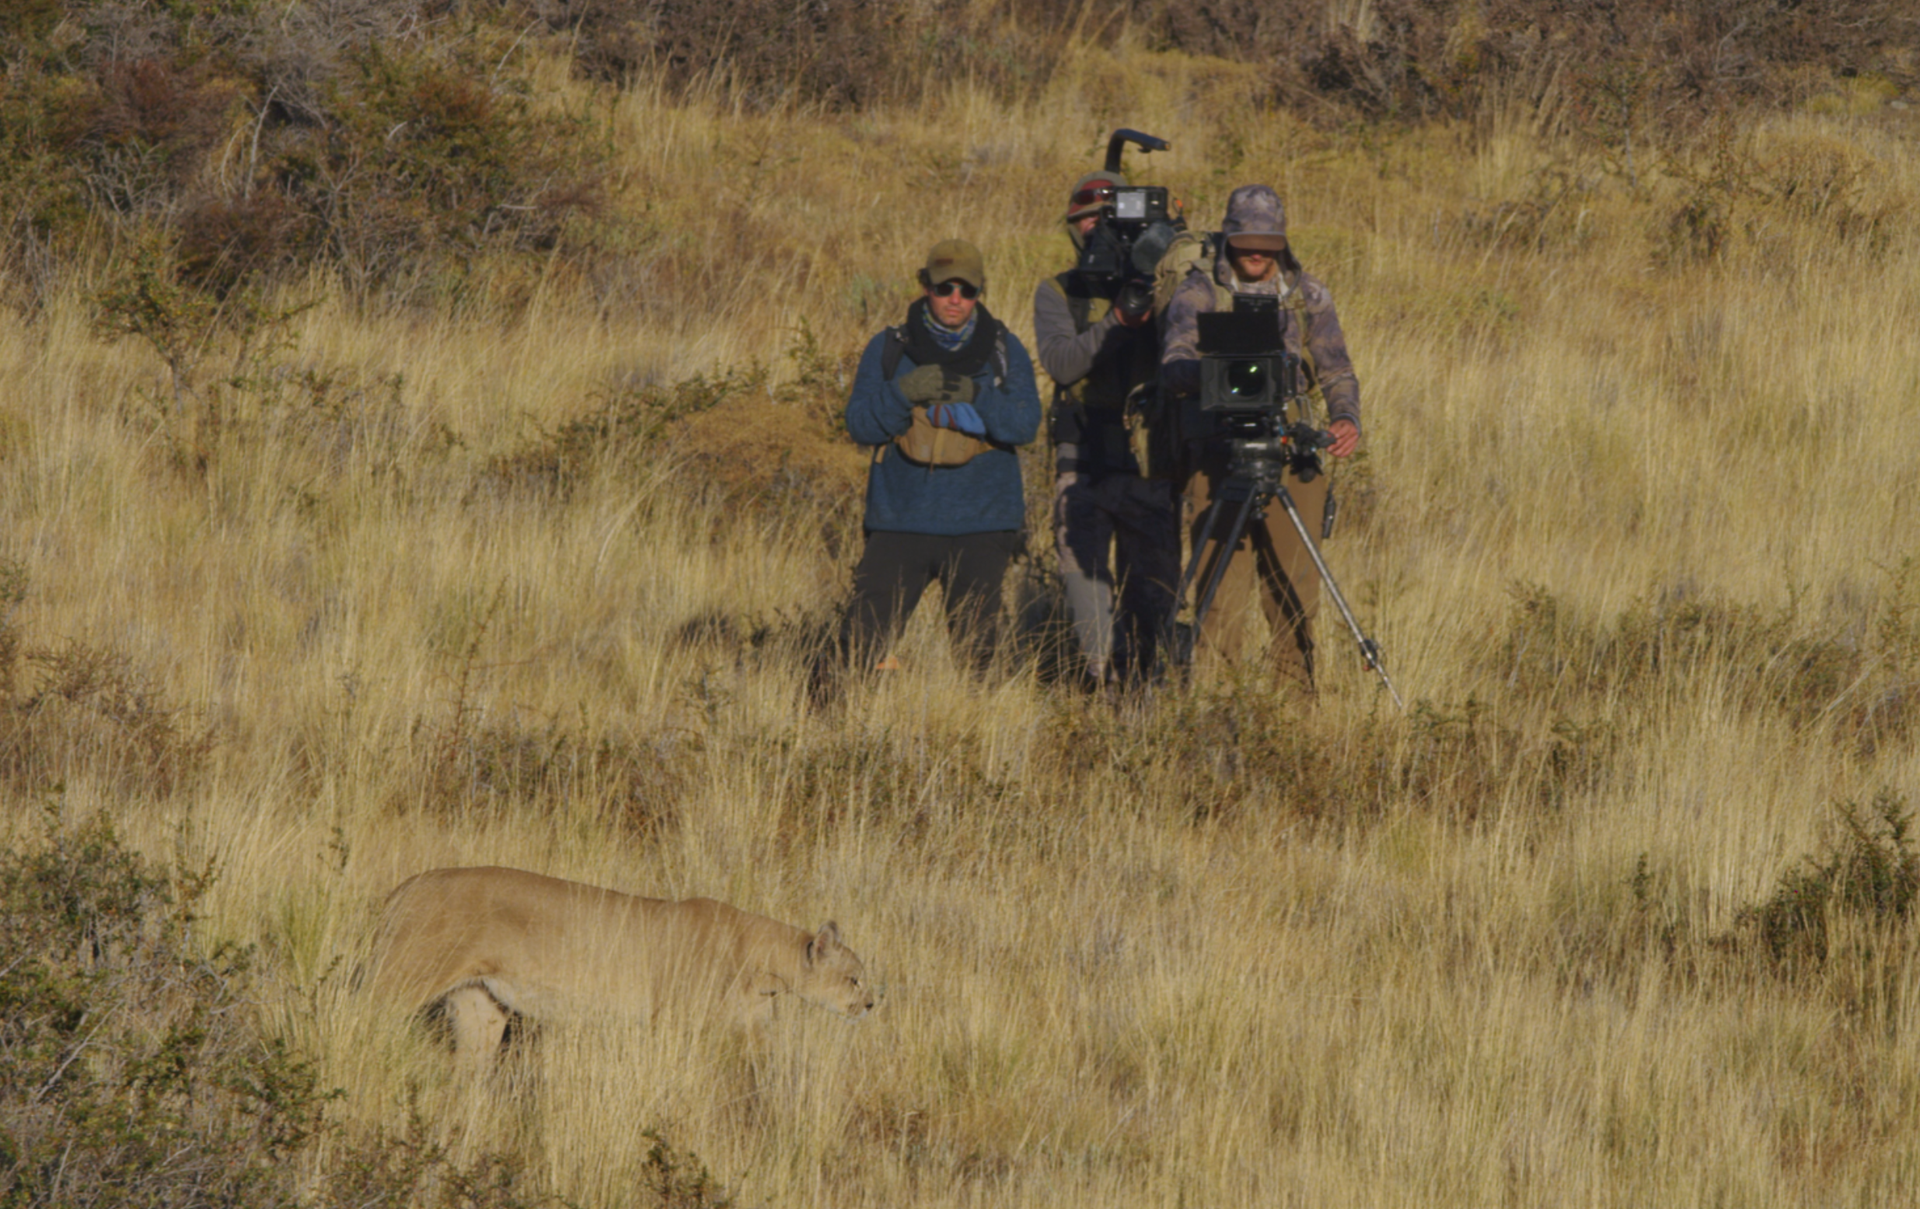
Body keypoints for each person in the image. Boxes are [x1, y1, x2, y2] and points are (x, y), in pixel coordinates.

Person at [1160, 184, 1364, 690]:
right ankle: (1215, 711)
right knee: (1218, 594)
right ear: (1228, 236)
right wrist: (1211, 379)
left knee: (1294, 591)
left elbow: (1338, 371)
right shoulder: (1199, 290)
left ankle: (1294, 717)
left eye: (1268, 244)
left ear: (1281, 243)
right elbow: (1175, 359)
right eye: (1246, 241)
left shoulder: (1307, 295)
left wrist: (1345, 418)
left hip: (1291, 454)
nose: (1256, 252)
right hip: (1217, 454)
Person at [821, 238, 1042, 693]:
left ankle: (986, 744)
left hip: (982, 523)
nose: (955, 300)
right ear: (925, 287)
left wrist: (976, 395)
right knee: (860, 640)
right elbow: (860, 425)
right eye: (945, 288)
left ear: (980, 292)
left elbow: (1025, 426)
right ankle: (824, 733)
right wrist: (905, 391)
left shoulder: (1003, 348)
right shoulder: (889, 347)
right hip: (900, 520)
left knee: (980, 650)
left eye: (967, 290)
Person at [1033, 171, 1182, 689]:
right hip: (1084, 456)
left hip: (1147, 460)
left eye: (1107, 216)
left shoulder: (1168, 286)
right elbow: (1063, 363)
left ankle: (1150, 695)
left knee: (1155, 594)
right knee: (1088, 597)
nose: (1095, 228)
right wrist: (1118, 319)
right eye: (1084, 220)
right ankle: (1100, 690)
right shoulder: (1060, 291)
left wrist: (1167, 266)